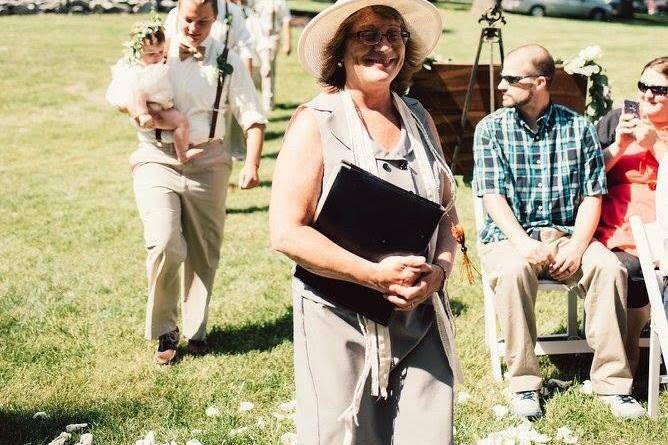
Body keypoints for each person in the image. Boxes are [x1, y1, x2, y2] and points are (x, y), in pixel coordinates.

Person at [270, 1, 463, 443]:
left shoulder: (418, 117)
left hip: (420, 316)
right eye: (368, 35)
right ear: (339, 51)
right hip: (339, 319)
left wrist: (440, 272)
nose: (385, 47)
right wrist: (373, 275)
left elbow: (447, 209)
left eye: (394, 34)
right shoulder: (315, 123)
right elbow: (286, 231)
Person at [473, 44, 645, 419]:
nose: (501, 85)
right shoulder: (490, 129)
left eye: (510, 79)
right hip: (510, 237)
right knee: (515, 270)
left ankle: (613, 384)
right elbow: (492, 196)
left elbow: (591, 195)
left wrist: (579, 245)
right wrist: (522, 243)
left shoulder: (578, 127)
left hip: (567, 232)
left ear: (538, 83)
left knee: (609, 268)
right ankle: (523, 384)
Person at [115, 0, 267, 365]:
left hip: (209, 161)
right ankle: (166, 327)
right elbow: (118, 89)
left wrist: (252, 164)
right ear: (177, 14)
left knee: (203, 251)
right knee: (164, 241)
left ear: (216, 19)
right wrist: (138, 109)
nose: (193, 28)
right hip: (156, 157)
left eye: (203, 22)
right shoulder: (154, 43)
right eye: (188, 20)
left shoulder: (226, 57)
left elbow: (252, 115)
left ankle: (196, 328)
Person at [597, 57, 668, 375]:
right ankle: (630, 346)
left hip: (661, 227)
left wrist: (656, 148)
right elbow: (584, 176)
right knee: (628, 268)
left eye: (659, 89)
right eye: (643, 86)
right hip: (620, 227)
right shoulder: (616, 120)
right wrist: (618, 146)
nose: (647, 95)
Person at [106, 18, 202, 164]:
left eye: (160, 51)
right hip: (145, 109)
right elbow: (136, 93)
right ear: (137, 52)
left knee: (181, 122)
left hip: (161, 106)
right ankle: (182, 154)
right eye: (150, 53)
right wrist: (143, 114)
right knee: (179, 121)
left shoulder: (158, 62)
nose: (157, 56)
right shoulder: (137, 70)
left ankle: (182, 154)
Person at [248, 0, 292, 111]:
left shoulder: (279, 2)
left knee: (267, 70)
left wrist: (287, 43)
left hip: (270, 39)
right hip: (253, 39)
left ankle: (268, 104)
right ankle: (255, 98)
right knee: (253, 69)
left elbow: (286, 21)